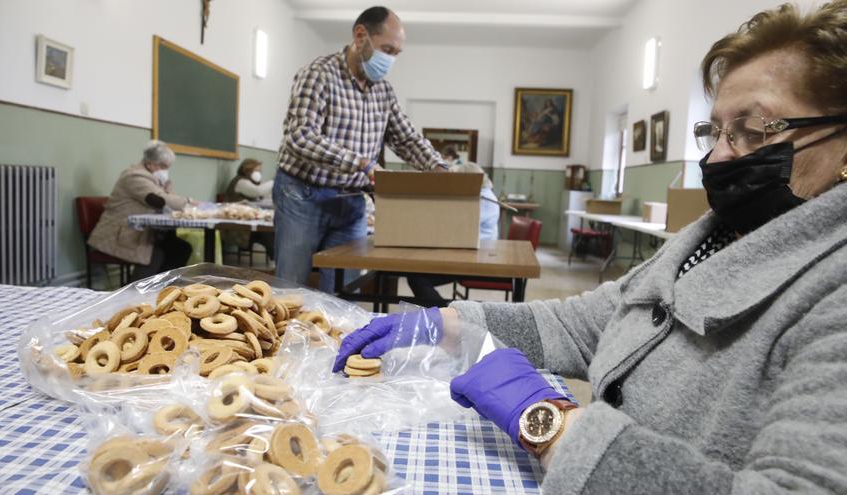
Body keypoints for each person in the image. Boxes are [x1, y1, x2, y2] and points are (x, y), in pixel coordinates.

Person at [334, 1, 847, 492]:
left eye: (753, 131)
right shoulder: (708, 240)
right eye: (714, 131)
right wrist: (446, 323)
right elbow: (586, 323)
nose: (716, 159)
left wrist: (551, 425)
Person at [274, 6, 448, 293]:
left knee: (344, 292)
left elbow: (406, 138)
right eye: (387, 49)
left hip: (351, 202)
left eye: (396, 54)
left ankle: (336, 340)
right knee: (290, 286)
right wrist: (361, 164)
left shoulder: (384, 91)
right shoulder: (318, 74)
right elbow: (300, 136)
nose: (390, 59)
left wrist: (438, 168)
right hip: (303, 196)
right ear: (360, 36)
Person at [88, 140, 193, 281]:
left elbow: (167, 199)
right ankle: (135, 294)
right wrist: (190, 202)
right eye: (163, 167)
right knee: (154, 254)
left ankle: (163, 288)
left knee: (181, 248)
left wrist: (167, 186)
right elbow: (160, 200)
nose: (165, 171)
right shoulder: (134, 176)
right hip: (120, 234)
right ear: (150, 163)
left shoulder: (153, 177)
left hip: (141, 232)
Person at [407, 162, 500, 306]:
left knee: (417, 277)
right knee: (417, 274)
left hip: (475, 260)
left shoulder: (484, 198)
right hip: (467, 255)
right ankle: (444, 312)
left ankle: (445, 313)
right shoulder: (480, 194)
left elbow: (458, 225)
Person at [223, 158, 276, 261]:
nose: (258, 174)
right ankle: (275, 258)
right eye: (256, 171)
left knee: (270, 231)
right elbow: (257, 192)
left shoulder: (247, 182)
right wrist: (274, 181)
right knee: (266, 232)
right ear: (248, 170)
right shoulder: (241, 182)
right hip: (237, 226)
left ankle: (276, 257)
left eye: (259, 171)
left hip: (245, 222)